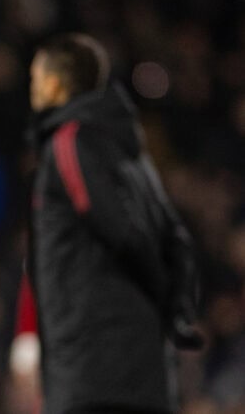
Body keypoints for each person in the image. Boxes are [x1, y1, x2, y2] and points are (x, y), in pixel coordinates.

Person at [26, 33, 203, 414]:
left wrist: (159, 290)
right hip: (144, 371)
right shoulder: (133, 153)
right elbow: (177, 240)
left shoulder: (69, 141)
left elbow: (118, 229)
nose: (32, 89)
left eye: (35, 78)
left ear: (54, 84)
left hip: (94, 369)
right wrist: (174, 309)